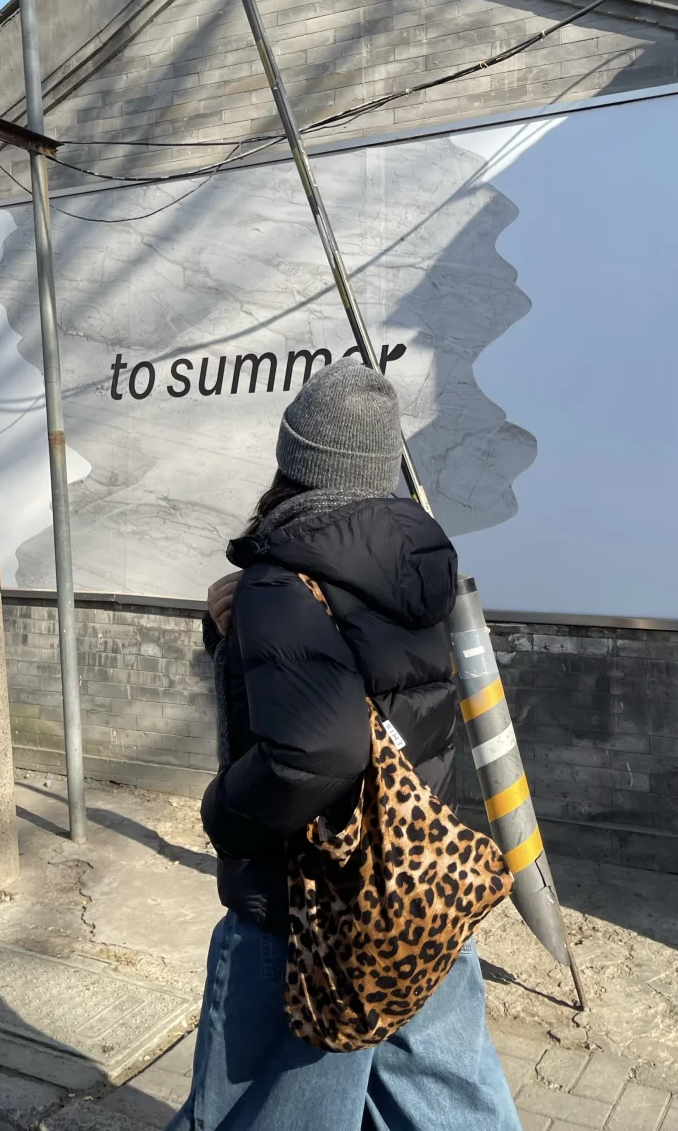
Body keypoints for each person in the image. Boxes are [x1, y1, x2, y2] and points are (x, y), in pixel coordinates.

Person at [167, 359, 521, 1131]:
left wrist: (224, 814)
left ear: (292, 456)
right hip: (416, 886)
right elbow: (369, 683)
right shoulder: (413, 558)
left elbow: (318, 752)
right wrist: (230, 639)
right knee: (450, 1106)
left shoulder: (282, 580)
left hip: (310, 911)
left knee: (257, 1110)